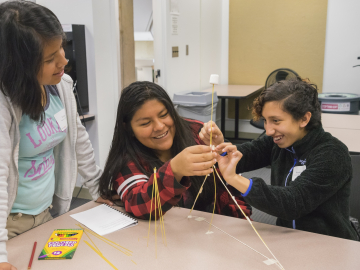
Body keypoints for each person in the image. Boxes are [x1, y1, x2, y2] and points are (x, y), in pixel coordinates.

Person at [0, 1, 115, 269]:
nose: (64, 61)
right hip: (10, 224)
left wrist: (98, 188)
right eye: (50, 59)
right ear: (19, 66)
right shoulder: (4, 104)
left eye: (61, 47)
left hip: (48, 213)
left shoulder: (60, 86)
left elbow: (79, 142)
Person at [200, 77, 359, 240]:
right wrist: (222, 148)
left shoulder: (332, 153)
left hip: (329, 242)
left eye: (276, 121)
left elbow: (294, 203)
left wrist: (234, 179)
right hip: (287, 238)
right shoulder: (277, 142)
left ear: (304, 119)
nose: (268, 131)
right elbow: (247, 154)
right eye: (265, 121)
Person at [98, 81, 251, 220]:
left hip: (220, 228)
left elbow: (229, 186)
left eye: (164, 115)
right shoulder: (126, 160)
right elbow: (140, 205)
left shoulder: (196, 131)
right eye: (145, 123)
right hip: (172, 242)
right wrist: (175, 170)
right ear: (128, 128)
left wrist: (222, 151)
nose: (159, 126)